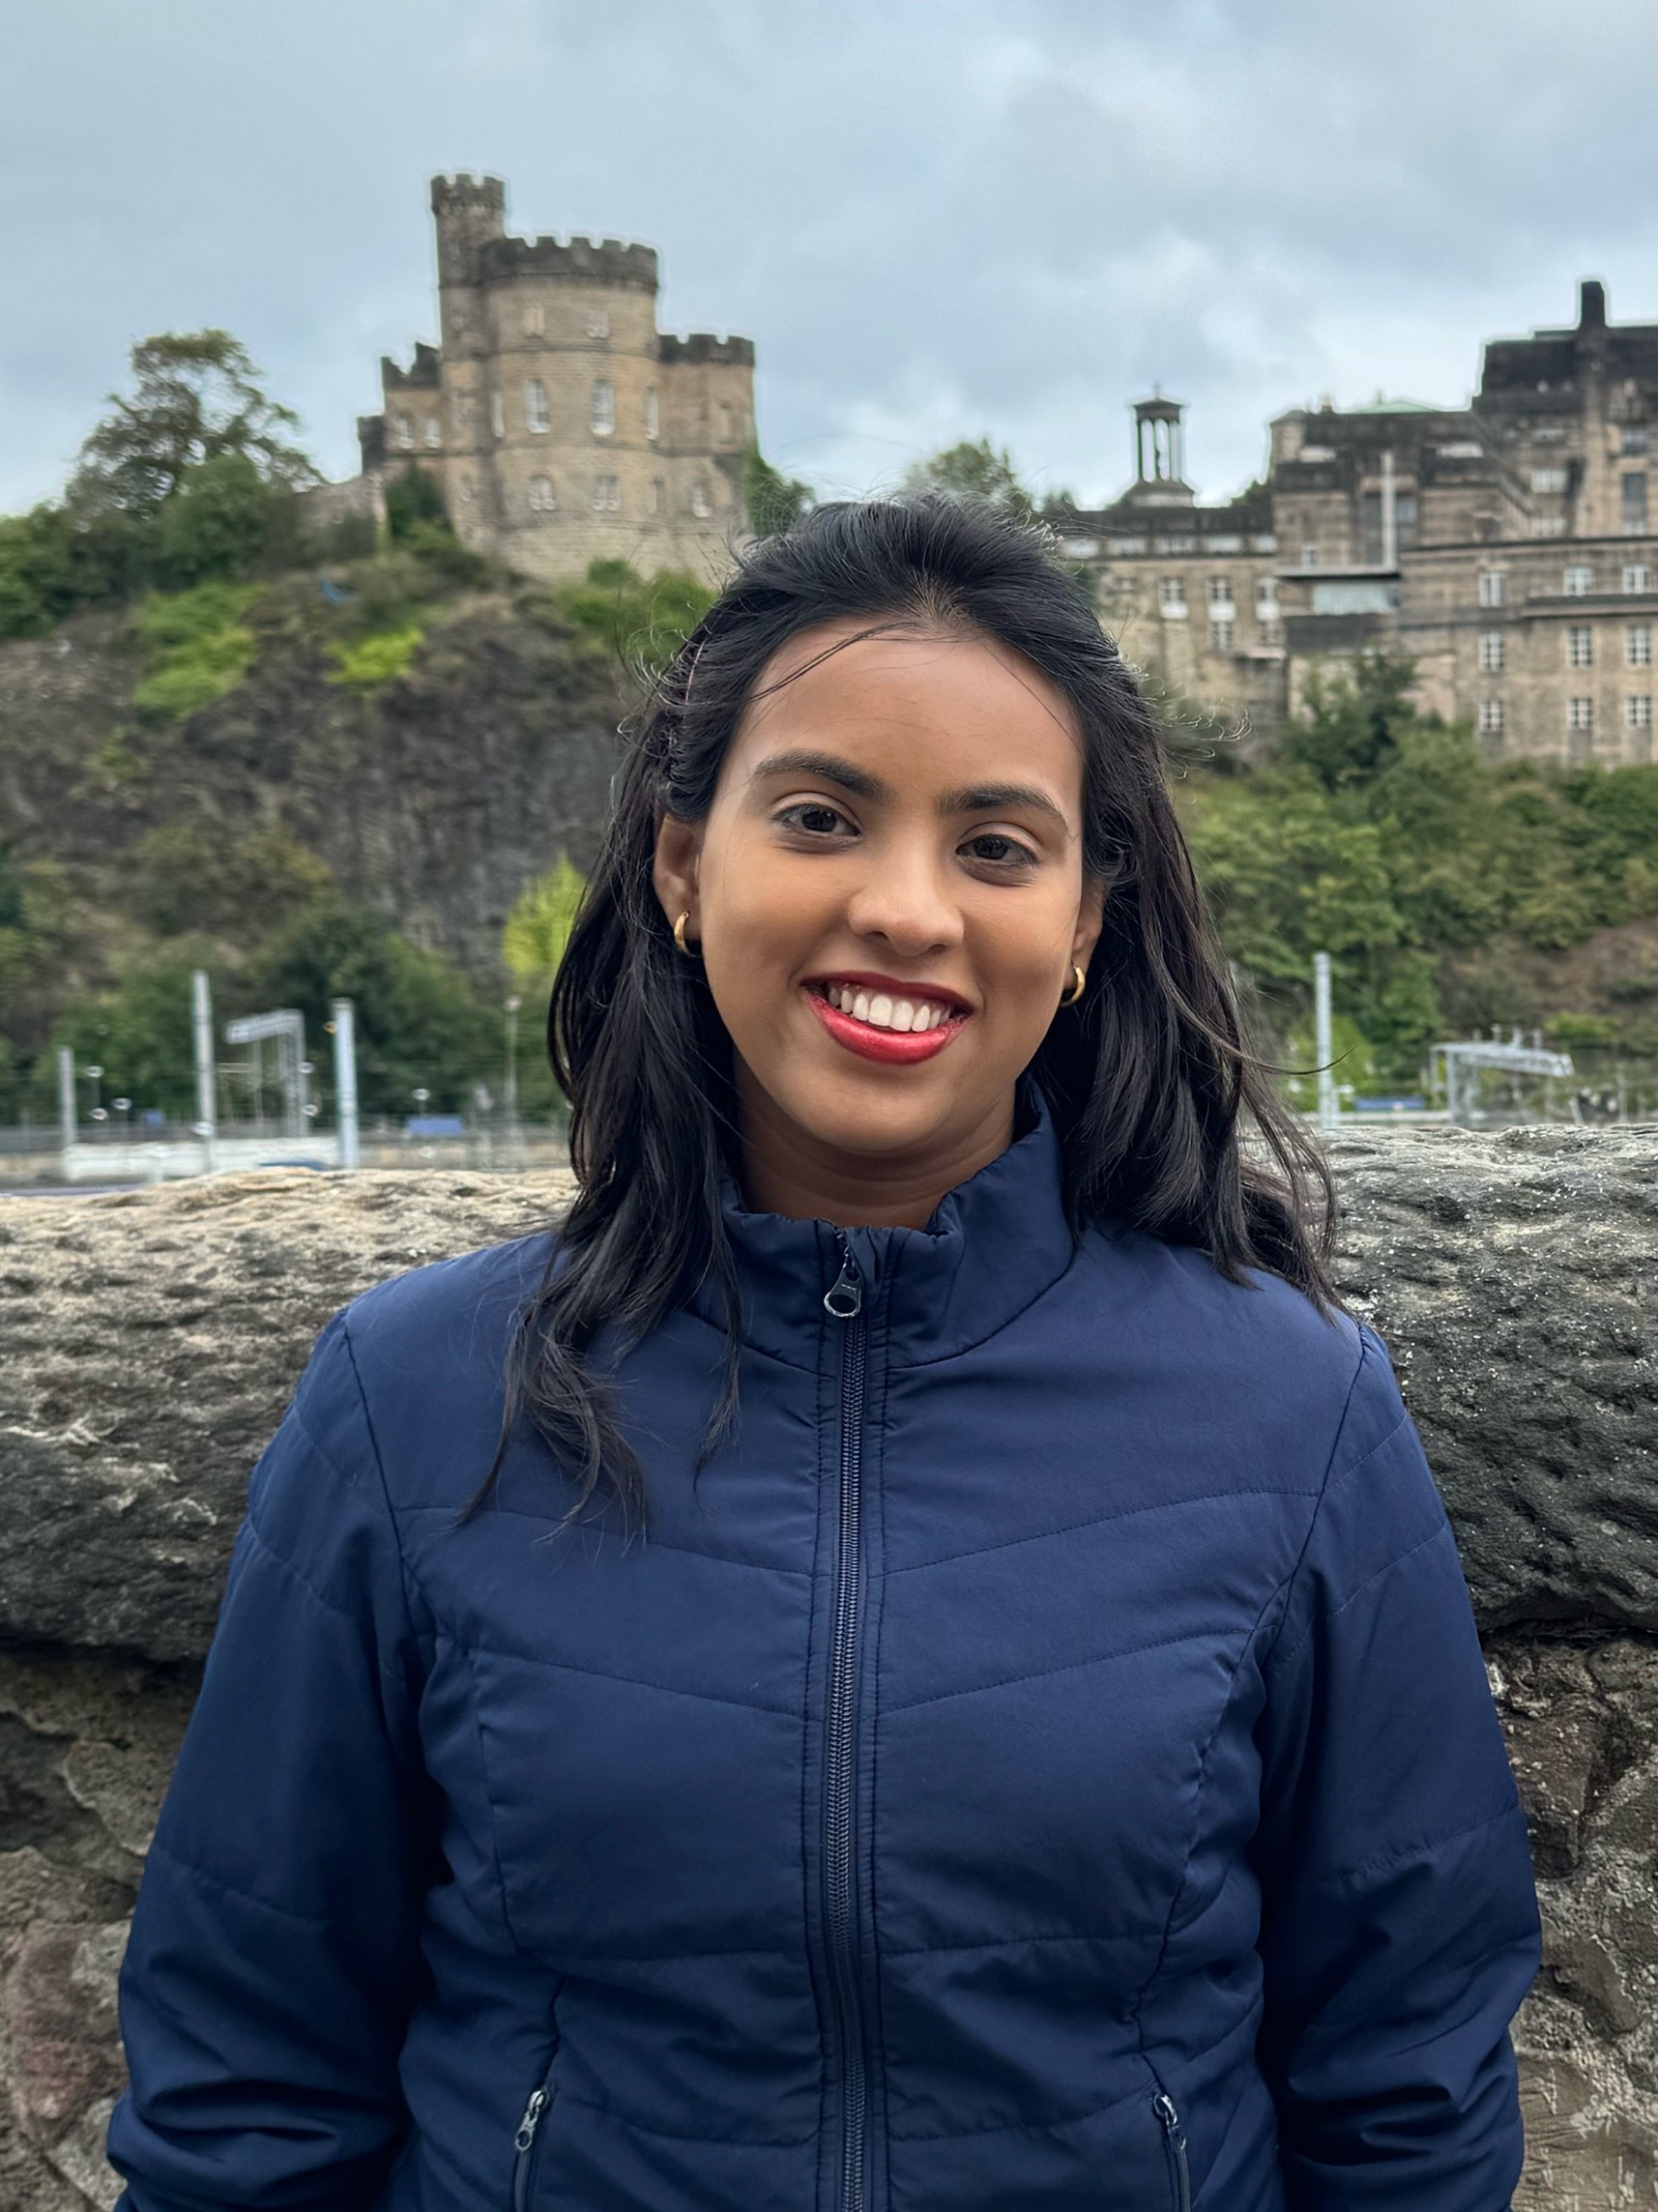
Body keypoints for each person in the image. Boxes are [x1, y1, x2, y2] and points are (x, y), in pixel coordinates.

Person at [109, 497, 1540, 2212]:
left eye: (996, 847)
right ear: (681, 863)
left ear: (1086, 924)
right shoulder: (412, 1399)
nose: (906, 909)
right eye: (818, 818)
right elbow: (247, 2084)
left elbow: (1407, 2080)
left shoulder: (1296, 1411)